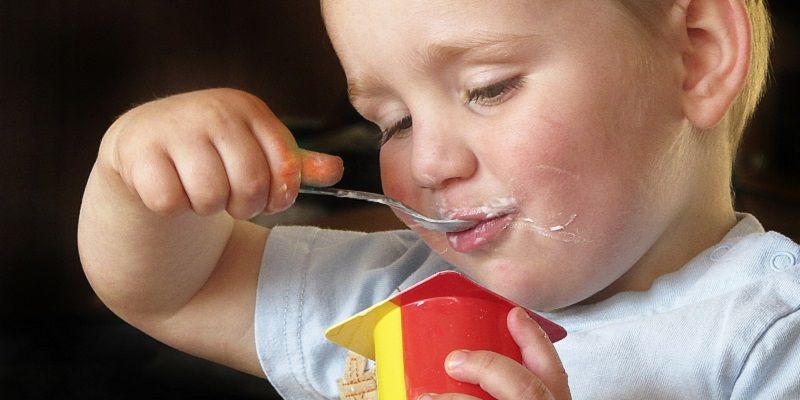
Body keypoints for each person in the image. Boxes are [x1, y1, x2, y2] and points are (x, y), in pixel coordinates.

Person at [78, 0, 799, 399]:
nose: (427, 161)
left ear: (696, 56)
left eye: (489, 88)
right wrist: (135, 176)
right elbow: (178, 290)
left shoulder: (768, 336)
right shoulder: (397, 299)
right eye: (394, 122)